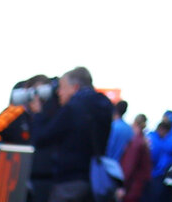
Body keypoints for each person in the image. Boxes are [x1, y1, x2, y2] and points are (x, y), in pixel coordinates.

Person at [29, 68, 113, 202]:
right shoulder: (104, 105)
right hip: (95, 180)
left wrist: (39, 113)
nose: (58, 92)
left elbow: (41, 138)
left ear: (75, 87)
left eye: (62, 87)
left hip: (69, 182)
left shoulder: (73, 108)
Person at [118, 114, 151, 202]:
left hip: (131, 188)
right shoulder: (143, 141)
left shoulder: (136, 142)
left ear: (134, 123)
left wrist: (122, 186)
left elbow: (129, 166)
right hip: (139, 187)